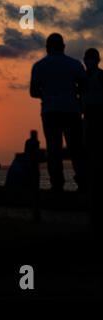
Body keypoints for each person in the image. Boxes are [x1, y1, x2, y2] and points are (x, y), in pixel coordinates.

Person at [30, 33, 86, 192]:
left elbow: (33, 92)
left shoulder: (39, 66)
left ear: (47, 48)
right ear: (63, 47)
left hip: (50, 111)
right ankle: (83, 184)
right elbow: (84, 87)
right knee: (76, 149)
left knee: (53, 150)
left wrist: (48, 93)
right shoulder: (74, 65)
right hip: (71, 111)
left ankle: (57, 185)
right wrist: (71, 92)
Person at [82, 48, 103, 231]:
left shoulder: (100, 77)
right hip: (87, 118)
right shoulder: (81, 78)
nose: (89, 61)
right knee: (87, 154)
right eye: (87, 59)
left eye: (91, 59)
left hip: (97, 117)